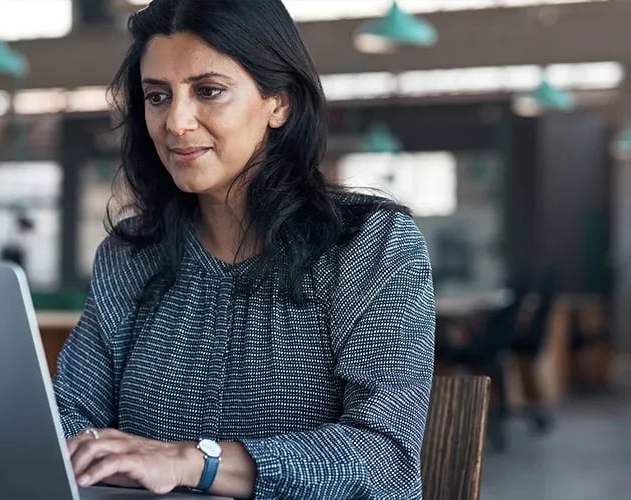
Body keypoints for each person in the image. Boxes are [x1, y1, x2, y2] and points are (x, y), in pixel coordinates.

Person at [54, 0, 436, 498]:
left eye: (208, 91)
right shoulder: (130, 257)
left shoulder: (370, 245)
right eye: (157, 97)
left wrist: (196, 463)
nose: (176, 122)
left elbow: (384, 458)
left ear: (280, 102)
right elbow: (68, 419)